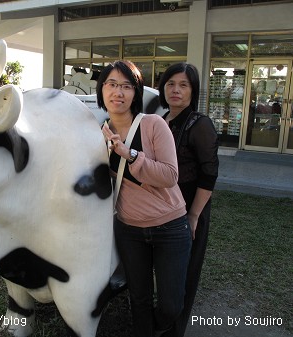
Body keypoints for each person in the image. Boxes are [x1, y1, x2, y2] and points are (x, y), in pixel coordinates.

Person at [97, 60, 192, 337]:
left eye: (127, 86)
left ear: (136, 93)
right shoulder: (97, 133)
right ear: (102, 90)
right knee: (138, 299)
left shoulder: (153, 125)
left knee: (171, 305)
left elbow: (170, 176)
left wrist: (130, 155)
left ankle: (157, 327)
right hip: (129, 230)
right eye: (112, 84)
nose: (119, 92)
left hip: (171, 228)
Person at [159, 63, 219, 337]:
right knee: (165, 274)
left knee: (183, 276)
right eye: (171, 83)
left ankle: (174, 330)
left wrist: (194, 216)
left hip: (188, 212)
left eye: (183, 85)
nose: (176, 90)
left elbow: (209, 174)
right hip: (162, 211)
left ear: (192, 91)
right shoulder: (161, 119)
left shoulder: (199, 124)